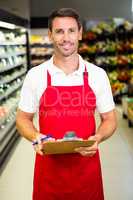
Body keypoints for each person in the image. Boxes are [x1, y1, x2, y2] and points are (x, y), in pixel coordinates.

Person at [16, 8, 117, 200]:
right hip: (49, 173)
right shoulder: (36, 75)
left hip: (87, 171)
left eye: (71, 30)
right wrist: (35, 136)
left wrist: (98, 137)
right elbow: (23, 119)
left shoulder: (97, 75)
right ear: (50, 35)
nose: (66, 38)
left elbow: (110, 118)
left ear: (80, 33)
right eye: (59, 31)